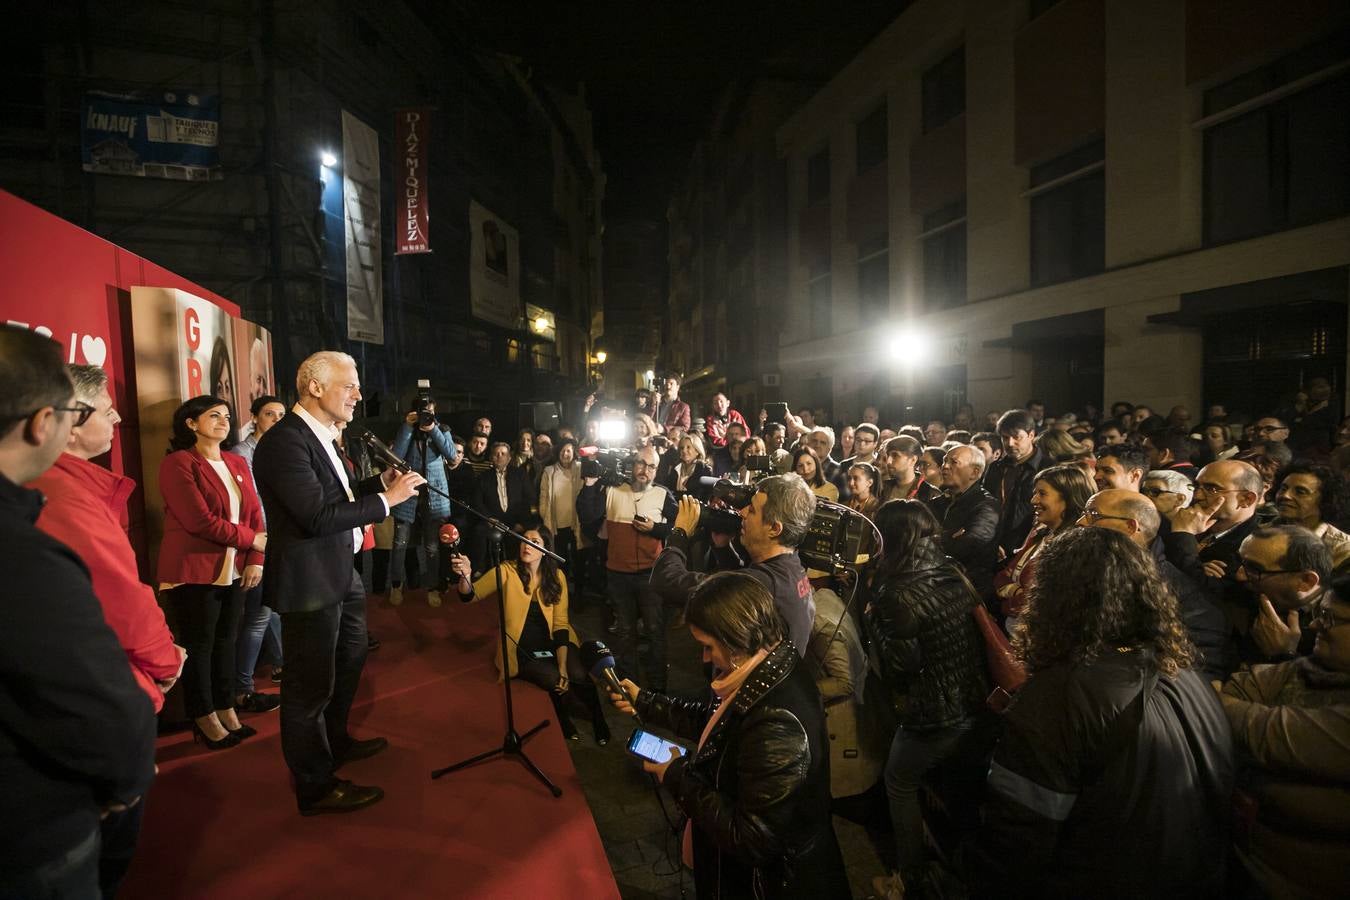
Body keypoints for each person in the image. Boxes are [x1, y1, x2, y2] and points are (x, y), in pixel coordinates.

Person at [968, 527, 1235, 898]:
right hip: (1192, 876)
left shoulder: (1061, 692)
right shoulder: (1184, 670)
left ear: (1053, 597)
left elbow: (1018, 834)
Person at [0, 326, 157, 899]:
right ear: (46, 422)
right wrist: (126, 776)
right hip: (32, 827)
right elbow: (87, 689)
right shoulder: (26, 546)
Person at [252, 350, 426, 815]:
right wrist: (388, 500)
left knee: (347, 663)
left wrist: (375, 484)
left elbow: (338, 496)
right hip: (309, 581)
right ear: (313, 386)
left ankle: (337, 742)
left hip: (338, 573)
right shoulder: (285, 442)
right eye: (348, 385)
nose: (357, 394)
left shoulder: (323, 437)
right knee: (308, 687)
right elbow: (316, 515)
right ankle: (315, 785)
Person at [608, 572, 850, 898]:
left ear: (735, 637)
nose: (705, 658)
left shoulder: (776, 722)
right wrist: (644, 701)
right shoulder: (766, 664)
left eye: (708, 646)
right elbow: (716, 722)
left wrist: (677, 775)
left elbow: (750, 837)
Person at [865, 501, 990, 900]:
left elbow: (902, 664)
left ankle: (909, 878)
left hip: (932, 712)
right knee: (960, 795)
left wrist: (872, 620)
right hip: (972, 701)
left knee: (899, 782)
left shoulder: (894, 591)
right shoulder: (951, 569)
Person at [1218, 575, 1350, 898]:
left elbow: (1261, 729)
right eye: (1319, 612)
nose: (1315, 625)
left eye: (1330, 618)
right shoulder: (1304, 669)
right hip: (1250, 866)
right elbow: (1240, 687)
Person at [158, 394, 267, 749]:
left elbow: (253, 514)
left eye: (227, 415)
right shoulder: (179, 463)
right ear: (191, 423)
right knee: (199, 647)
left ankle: (226, 708)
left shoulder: (236, 461)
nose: (223, 420)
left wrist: (254, 558)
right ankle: (202, 716)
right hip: (194, 569)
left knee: (226, 641)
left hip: (234, 568)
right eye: (214, 415)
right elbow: (199, 521)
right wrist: (255, 540)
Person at [450, 523, 609, 743]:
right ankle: (562, 718)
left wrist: (562, 664)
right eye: (524, 540)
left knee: (578, 674)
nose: (527, 545)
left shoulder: (557, 577)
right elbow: (470, 596)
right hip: (523, 647)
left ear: (546, 549)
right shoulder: (506, 571)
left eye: (535, 542)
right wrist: (465, 576)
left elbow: (561, 623)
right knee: (553, 678)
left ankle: (599, 720)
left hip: (556, 640)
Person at [654, 474, 819, 657]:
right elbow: (742, 581)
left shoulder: (762, 583)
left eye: (753, 509)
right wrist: (723, 548)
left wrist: (680, 532)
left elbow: (667, 581)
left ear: (774, 528)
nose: (743, 512)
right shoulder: (791, 567)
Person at [1078, 489, 1233, 681]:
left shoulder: (1181, 595)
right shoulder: (1089, 569)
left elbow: (1201, 670)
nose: (1081, 523)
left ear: (1130, 527)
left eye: (1093, 515)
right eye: (1082, 514)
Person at [577, 444, 679, 689]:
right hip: (618, 575)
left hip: (650, 575)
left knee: (655, 631)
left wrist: (655, 529)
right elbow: (587, 516)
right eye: (642, 463)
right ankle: (629, 685)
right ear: (633, 464)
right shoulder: (612, 490)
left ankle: (657, 688)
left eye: (652, 466)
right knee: (625, 633)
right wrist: (590, 484)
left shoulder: (664, 495)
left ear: (657, 471)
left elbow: (680, 529)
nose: (645, 470)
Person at [993, 464, 1094, 630]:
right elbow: (1002, 576)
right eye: (1035, 493)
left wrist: (1010, 599)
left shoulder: (1076, 546)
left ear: (1067, 498)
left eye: (1042, 493)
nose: (1034, 500)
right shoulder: (1039, 535)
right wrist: (1017, 592)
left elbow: (1041, 602)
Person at [388, 398, 458, 607]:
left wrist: (433, 428)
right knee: (400, 543)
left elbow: (452, 455)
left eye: (430, 412)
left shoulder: (442, 429)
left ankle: (433, 588)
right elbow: (396, 457)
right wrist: (408, 426)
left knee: (431, 547)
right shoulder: (407, 430)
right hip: (407, 492)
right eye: (423, 412)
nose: (426, 416)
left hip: (434, 495)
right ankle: (396, 585)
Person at [1233, 525, 1330, 665]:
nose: (1239, 576)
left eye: (1254, 569)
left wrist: (1284, 656)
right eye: (1240, 562)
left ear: (1306, 581)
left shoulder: (1334, 628)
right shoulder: (1243, 592)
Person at [937, 444, 1000, 597]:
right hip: (938, 585)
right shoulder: (937, 502)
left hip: (967, 590)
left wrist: (935, 539)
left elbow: (968, 547)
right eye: (944, 461)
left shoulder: (986, 506)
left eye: (954, 462)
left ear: (974, 472)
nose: (944, 466)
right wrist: (950, 536)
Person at [987, 409, 1049, 558]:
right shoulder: (996, 467)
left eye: (1017, 437)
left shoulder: (1048, 468)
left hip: (1029, 548)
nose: (1010, 443)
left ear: (1031, 435)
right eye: (1005, 437)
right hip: (992, 544)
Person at [1272, 462, 1350, 571]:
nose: (1285, 495)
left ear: (1326, 500)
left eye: (1300, 492)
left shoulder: (1343, 549)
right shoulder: (1259, 531)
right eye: (1283, 488)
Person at [539, 437, 586, 595]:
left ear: (574, 452)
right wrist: (545, 518)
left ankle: (579, 594)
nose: (565, 454)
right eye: (562, 450)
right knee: (560, 561)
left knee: (579, 560)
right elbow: (544, 498)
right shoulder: (549, 471)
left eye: (569, 451)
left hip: (576, 524)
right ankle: (562, 593)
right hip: (556, 525)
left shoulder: (580, 469)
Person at [661, 433, 713, 498]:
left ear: (697, 451)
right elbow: (667, 489)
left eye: (688, 447)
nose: (684, 451)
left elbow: (703, 495)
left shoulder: (704, 470)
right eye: (682, 448)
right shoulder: (676, 468)